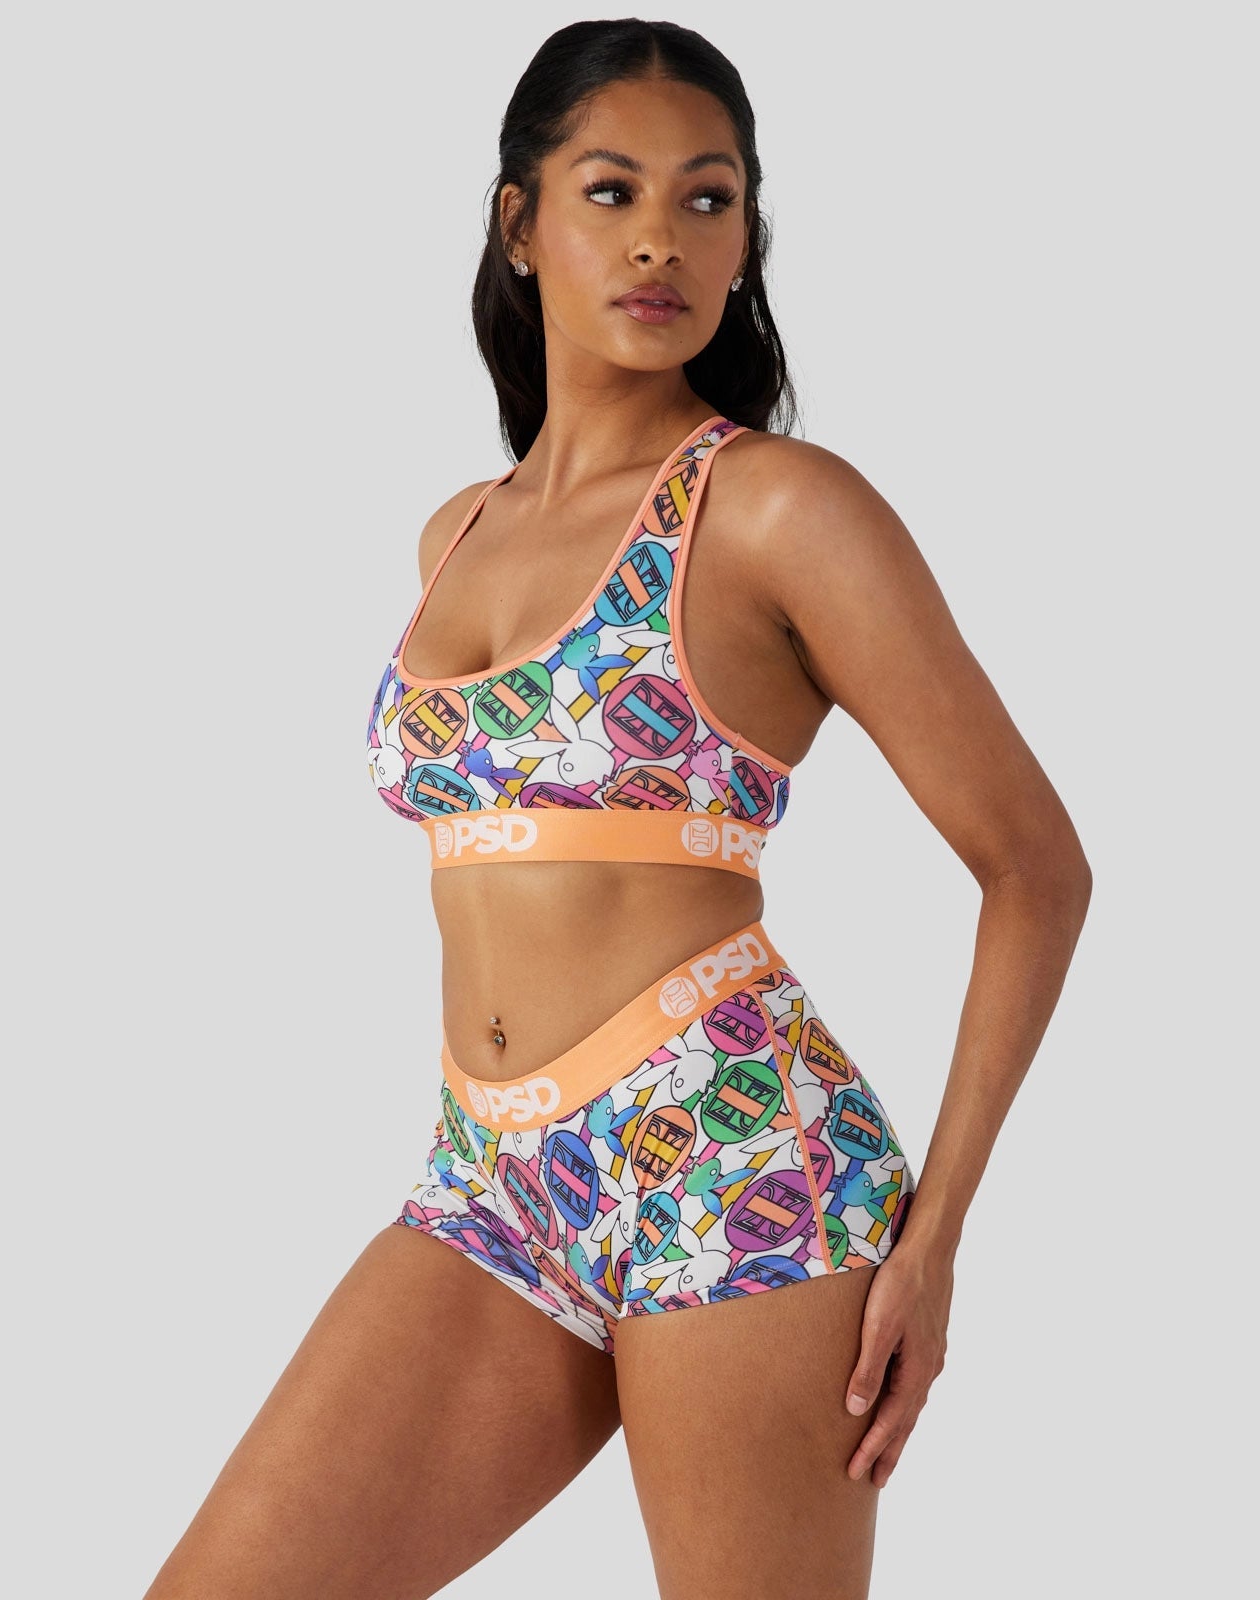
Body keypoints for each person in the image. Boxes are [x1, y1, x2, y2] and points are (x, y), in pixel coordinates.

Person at [144, 19, 1091, 1600]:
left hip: (737, 1171)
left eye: (709, 200)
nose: (663, 238)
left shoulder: (778, 508)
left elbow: (1035, 868)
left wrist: (933, 1241)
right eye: (612, 191)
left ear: (747, 240)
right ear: (518, 223)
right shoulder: (458, 532)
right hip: (489, 1182)